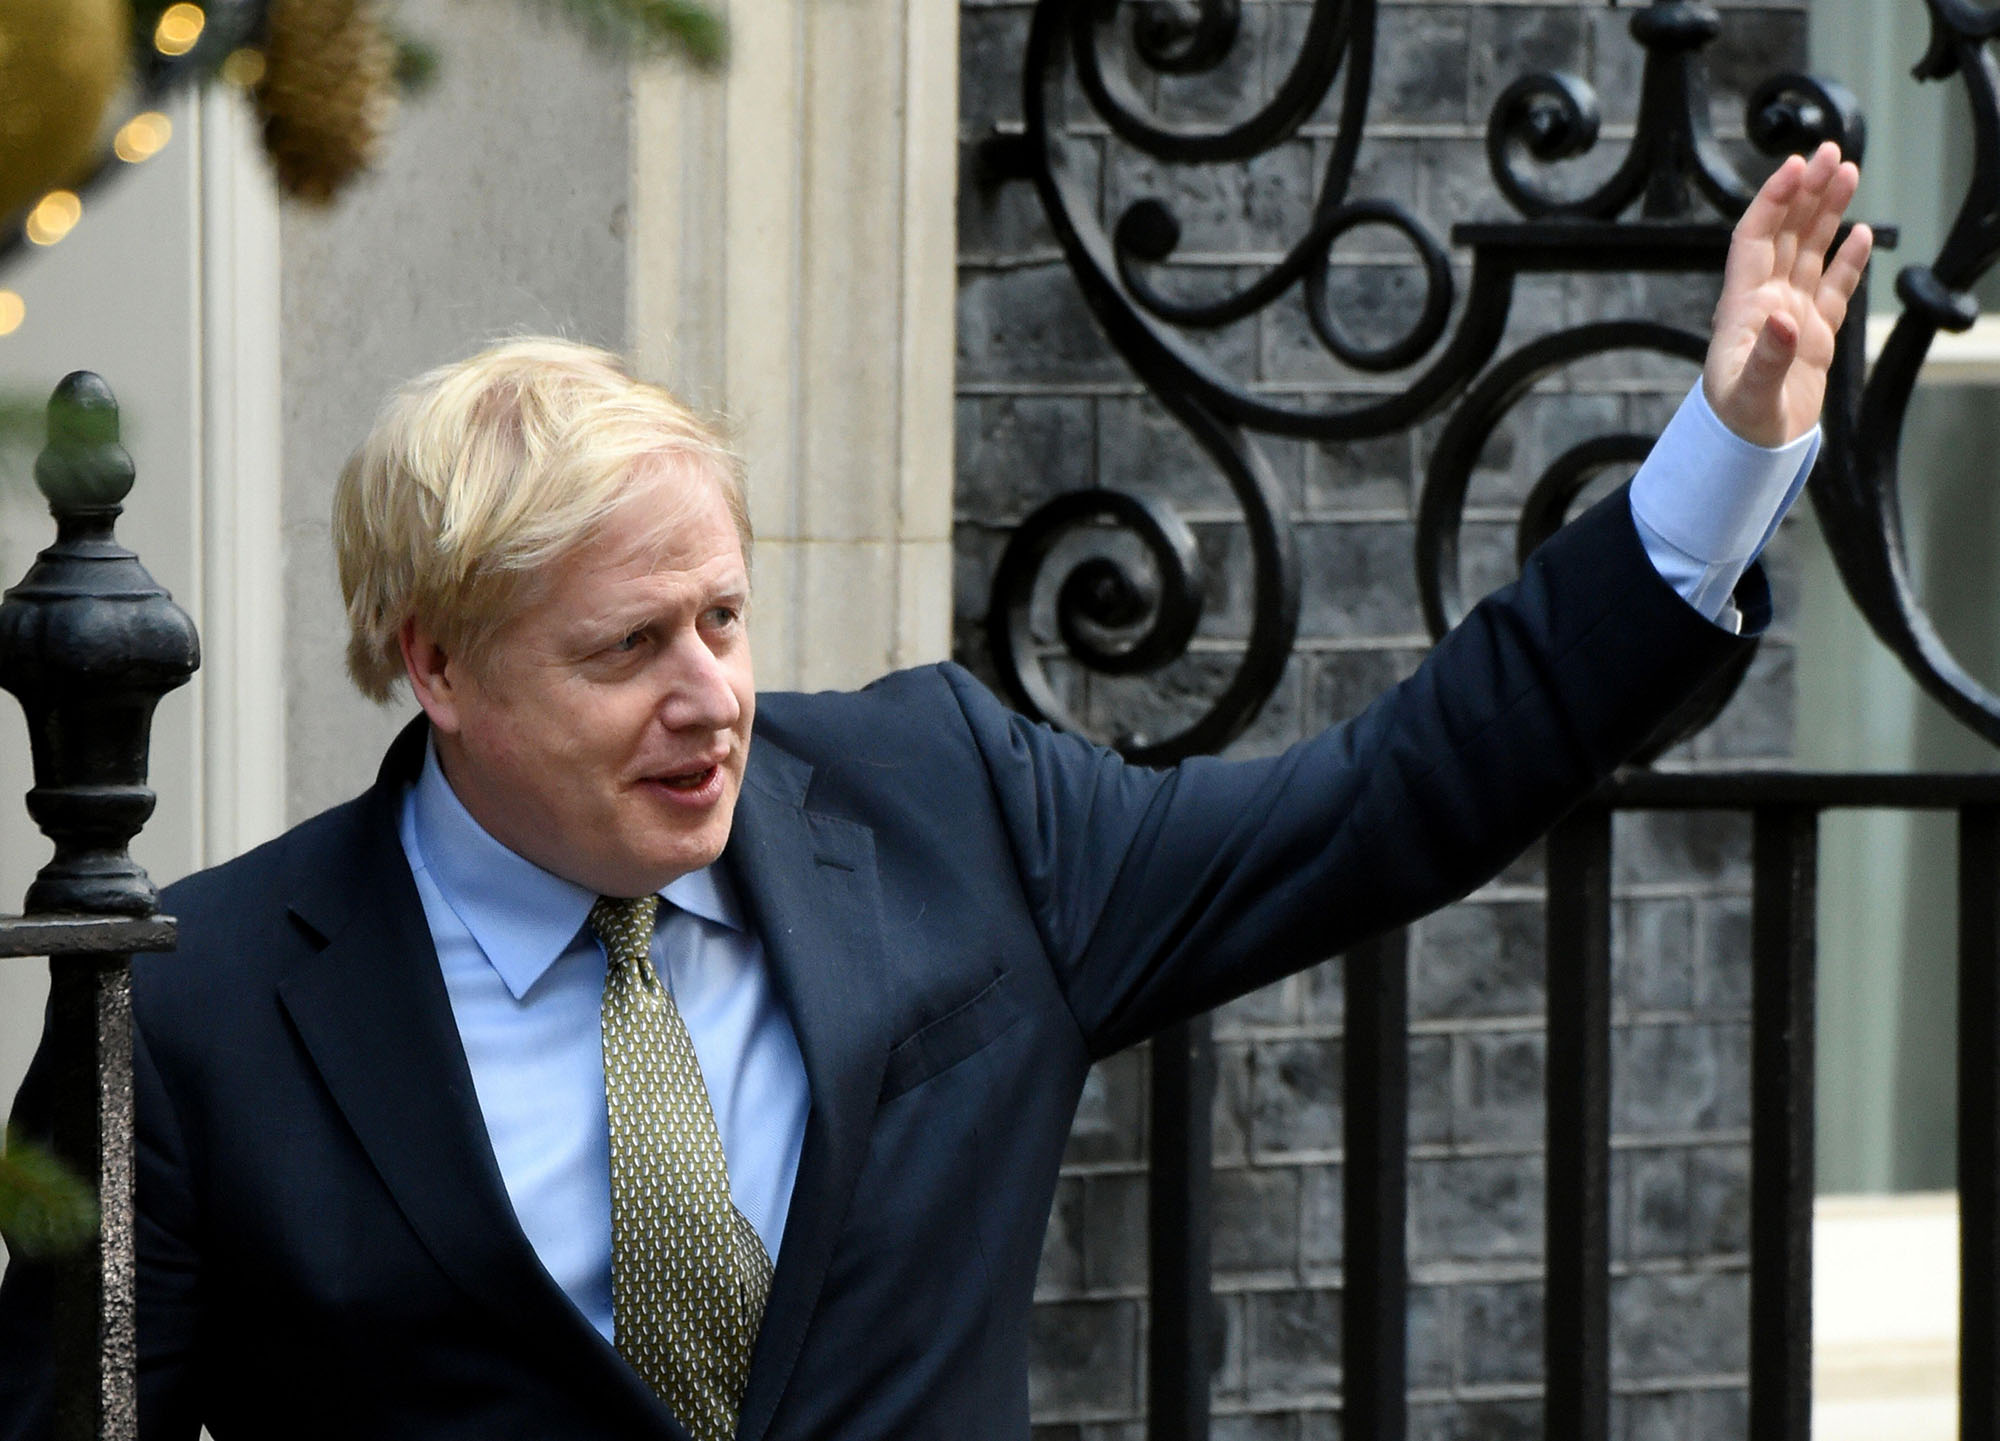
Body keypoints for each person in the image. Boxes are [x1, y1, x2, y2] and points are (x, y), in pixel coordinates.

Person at [0, 145, 1870, 1439]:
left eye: (724, 616)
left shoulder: (943, 802)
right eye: (626, 647)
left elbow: (1383, 803)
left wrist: (1718, 461)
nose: (709, 695)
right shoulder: (200, 1013)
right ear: (435, 662)